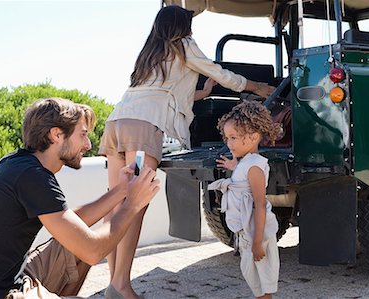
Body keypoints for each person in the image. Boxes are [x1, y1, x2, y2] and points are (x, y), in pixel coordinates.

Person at [98, 5, 275, 299]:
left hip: (116, 125)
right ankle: (121, 286)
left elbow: (162, 91)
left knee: (119, 205)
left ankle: (113, 284)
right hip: (143, 129)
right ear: (182, 27)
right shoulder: (184, 45)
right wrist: (256, 87)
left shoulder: (151, 53)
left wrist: (201, 94)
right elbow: (220, 73)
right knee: (135, 205)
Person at [0, 97, 160, 298]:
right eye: (82, 135)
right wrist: (132, 205)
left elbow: (72, 220)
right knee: (86, 245)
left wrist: (121, 190)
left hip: (11, 279)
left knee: (76, 238)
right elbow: (94, 252)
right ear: (56, 135)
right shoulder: (32, 176)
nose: (87, 145)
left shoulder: (19, 164)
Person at [208, 100, 281, 299]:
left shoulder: (255, 167)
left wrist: (257, 242)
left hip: (255, 234)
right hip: (248, 233)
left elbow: (260, 205)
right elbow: (244, 180)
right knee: (254, 278)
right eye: (227, 137)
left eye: (234, 137)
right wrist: (235, 168)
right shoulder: (247, 163)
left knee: (262, 283)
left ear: (253, 137)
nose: (228, 143)